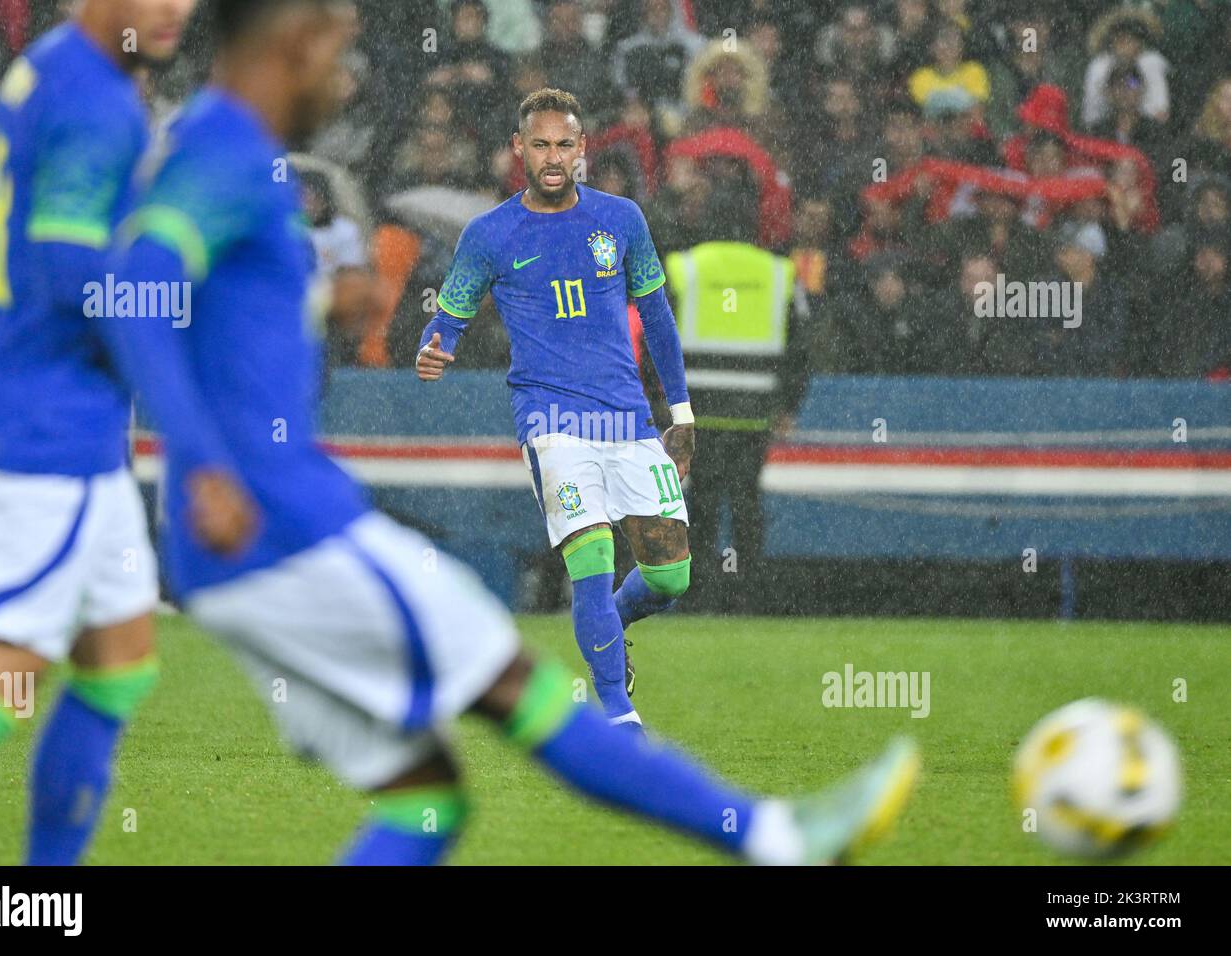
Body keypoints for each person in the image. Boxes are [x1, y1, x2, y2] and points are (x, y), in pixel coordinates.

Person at [97, 0, 920, 867]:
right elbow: (136, 299)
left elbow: (198, 317)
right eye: (334, 52)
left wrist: (315, 307)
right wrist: (199, 469)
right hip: (279, 522)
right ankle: (773, 838)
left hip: (278, 521)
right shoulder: (221, 149)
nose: (345, 80)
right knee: (513, 682)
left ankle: (766, 832)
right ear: (284, 42)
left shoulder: (228, 152)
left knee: (426, 802)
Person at [0, 0, 196, 864]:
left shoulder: (40, 65)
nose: (178, 11)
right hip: (54, 431)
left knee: (121, 661)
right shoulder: (100, 104)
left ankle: (49, 893)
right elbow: (65, 272)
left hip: (44, 419)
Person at [417, 88, 692, 733]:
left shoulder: (622, 220)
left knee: (671, 575)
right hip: (551, 422)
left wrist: (680, 413)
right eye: (539, 144)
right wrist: (434, 346)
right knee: (590, 562)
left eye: (564, 144)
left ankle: (607, 629)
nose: (552, 156)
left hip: (628, 418)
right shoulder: (489, 234)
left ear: (582, 149)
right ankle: (619, 715)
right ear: (519, 149)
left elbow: (657, 317)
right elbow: (449, 317)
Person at [663, 186, 811, 613]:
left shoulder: (684, 268)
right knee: (747, 505)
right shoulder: (780, 273)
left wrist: (663, 404)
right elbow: (801, 349)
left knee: (701, 505)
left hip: (699, 412)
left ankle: (698, 599)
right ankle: (750, 598)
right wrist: (789, 406)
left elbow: (658, 341)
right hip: (753, 413)